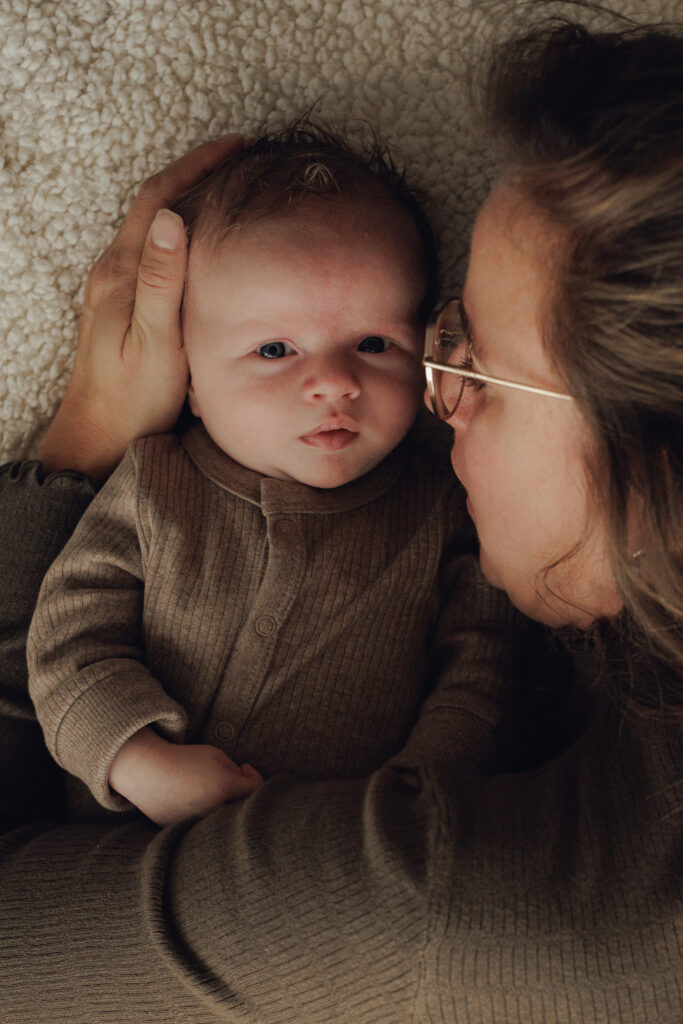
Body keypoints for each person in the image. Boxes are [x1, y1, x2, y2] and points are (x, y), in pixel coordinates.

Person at [1, 18, 681, 1023]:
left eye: (470, 367)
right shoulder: (161, 489)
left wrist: (70, 451)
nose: (437, 397)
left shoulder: (450, 897)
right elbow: (78, 633)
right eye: (439, 340)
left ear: (650, 475)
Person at [26, 122, 528, 827]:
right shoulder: (154, 485)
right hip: (111, 850)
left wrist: (414, 791)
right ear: (189, 379)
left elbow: (480, 676)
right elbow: (67, 645)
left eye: (374, 343)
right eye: (273, 349)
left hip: (340, 857)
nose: (332, 382)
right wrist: (137, 759)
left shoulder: (442, 509)